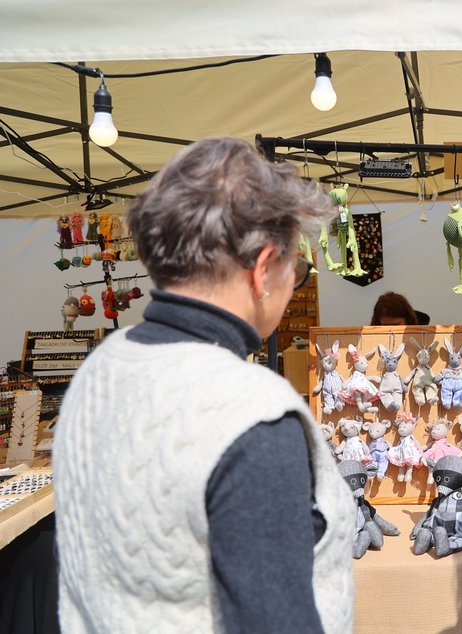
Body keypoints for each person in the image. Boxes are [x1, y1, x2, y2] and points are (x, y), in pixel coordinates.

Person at [55, 137, 355, 632]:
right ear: (263, 269)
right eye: (296, 269)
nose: (292, 283)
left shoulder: (97, 369)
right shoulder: (249, 414)